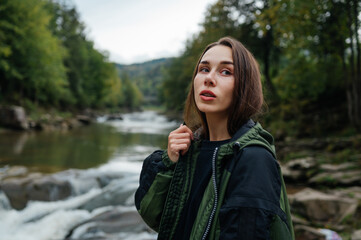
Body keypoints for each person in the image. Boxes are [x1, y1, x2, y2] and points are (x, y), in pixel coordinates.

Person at [135, 36, 295, 240]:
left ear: (245, 86)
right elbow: (154, 218)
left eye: (226, 71)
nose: (209, 78)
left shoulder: (253, 159)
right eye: (204, 69)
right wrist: (168, 162)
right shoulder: (190, 148)